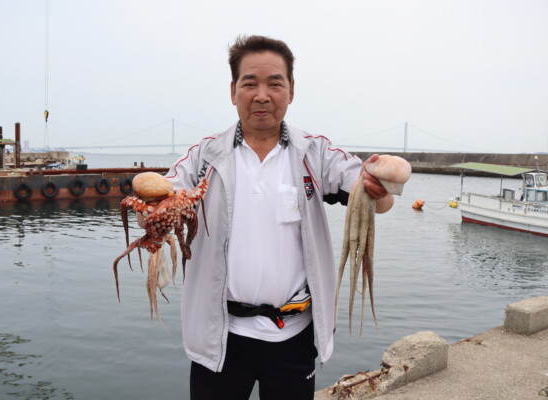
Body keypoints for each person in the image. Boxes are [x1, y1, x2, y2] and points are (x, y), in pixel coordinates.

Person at [163, 35, 393, 400]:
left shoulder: (315, 154)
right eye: (249, 83)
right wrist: (153, 211)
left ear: (291, 90)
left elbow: (370, 193)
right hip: (218, 338)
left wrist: (381, 184)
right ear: (233, 90)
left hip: (293, 337)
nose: (262, 95)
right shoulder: (203, 157)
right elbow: (164, 191)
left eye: (275, 83)